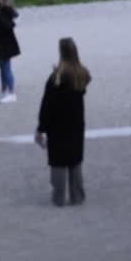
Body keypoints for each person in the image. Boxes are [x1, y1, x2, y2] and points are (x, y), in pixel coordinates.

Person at [36, 38, 91, 206]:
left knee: (58, 161)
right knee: (75, 160)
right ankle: (77, 196)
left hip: (58, 125)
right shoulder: (82, 74)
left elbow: (47, 105)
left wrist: (41, 128)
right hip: (76, 124)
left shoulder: (55, 78)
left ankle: (59, 197)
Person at [0, 0, 20, 103]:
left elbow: (8, 25)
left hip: (6, 44)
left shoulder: (6, 10)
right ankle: (4, 91)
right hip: (1, 43)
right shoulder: (1, 9)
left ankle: (12, 92)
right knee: (2, 68)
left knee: (6, 68)